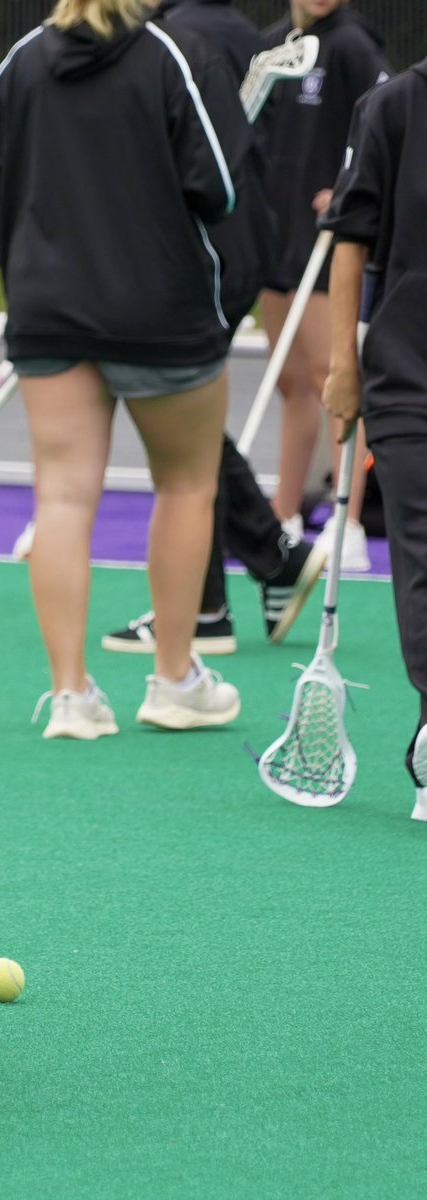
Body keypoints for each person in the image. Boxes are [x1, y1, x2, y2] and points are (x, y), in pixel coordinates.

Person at [0, 0, 244, 738]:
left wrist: (34, 273)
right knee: (188, 485)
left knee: (62, 498)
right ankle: (173, 678)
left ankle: (71, 695)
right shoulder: (167, 57)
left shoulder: (20, 63)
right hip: (162, 310)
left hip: (48, 310)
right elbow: (217, 188)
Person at [103, 0, 329, 655]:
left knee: (172, 415)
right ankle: (266, 559)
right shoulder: (232, 32)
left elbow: (175, 160)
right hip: (235, 242)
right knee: (180, 411)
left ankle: (207, 606)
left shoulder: (173, 40)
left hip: (201, 250)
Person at [319, 56, 427, 820]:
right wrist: (342, 366)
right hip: (408, 374)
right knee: (421, 547)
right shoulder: (393, 107)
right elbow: (350, 239)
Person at [258, 0, 389, 570]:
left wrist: (347, 187)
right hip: (275, 240)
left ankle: (349, 523)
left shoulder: (355, 46)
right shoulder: (273, 45)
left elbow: (385, 125)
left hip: (326, 246)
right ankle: (284, 517)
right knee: (290, 382)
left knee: (329, 377)